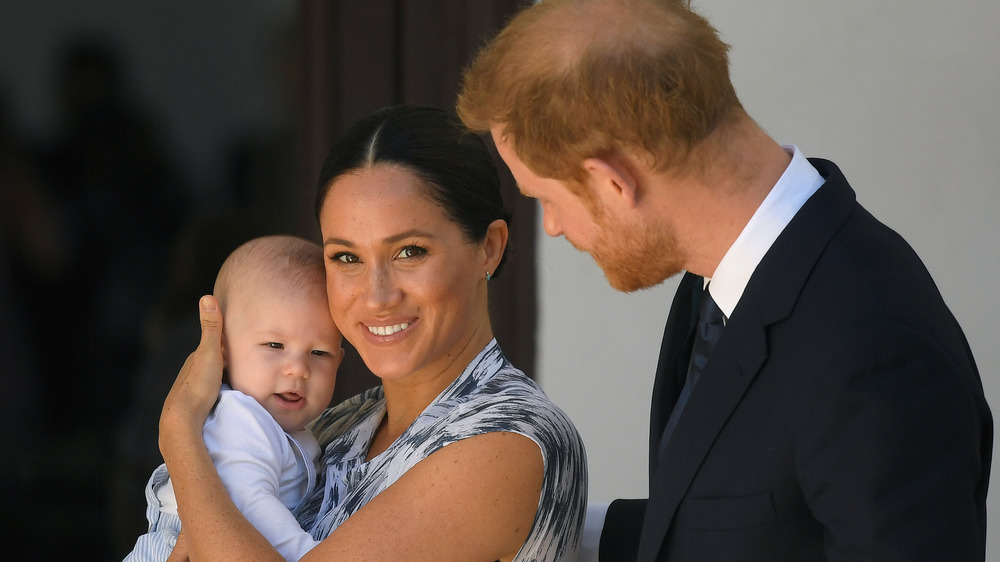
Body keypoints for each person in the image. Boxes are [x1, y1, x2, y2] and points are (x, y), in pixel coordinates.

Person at [456, 0, 992, 560]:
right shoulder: (727, 274)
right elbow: (738, 522)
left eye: (546, 198)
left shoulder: (873, 350)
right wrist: (530, 528)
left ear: (613, 182)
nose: (555, 227)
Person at [157, 105, 587, 561]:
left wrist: (180, 431)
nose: (376, 296)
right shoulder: (339, 425)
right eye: (346, 257)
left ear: (490, 248)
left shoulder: (509, 441)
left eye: (409, 251)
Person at [126, 235, 344, 561]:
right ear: (222, 350)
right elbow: (249, 504)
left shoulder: (286, 427)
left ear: (339, 360)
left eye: (319, 352)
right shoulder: (240, 419)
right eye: (274, 346)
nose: (298, 369)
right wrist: (309, 555)